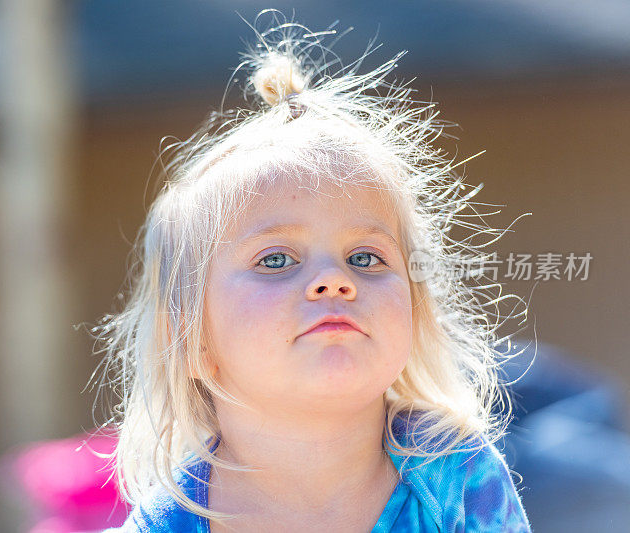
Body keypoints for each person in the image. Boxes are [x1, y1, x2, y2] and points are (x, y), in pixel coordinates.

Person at [92, 9, 532, 532]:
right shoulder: (166, 524)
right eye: (275, 260)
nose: (335, 280)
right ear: (190, 340)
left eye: (366, 258)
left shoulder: (453, 474)